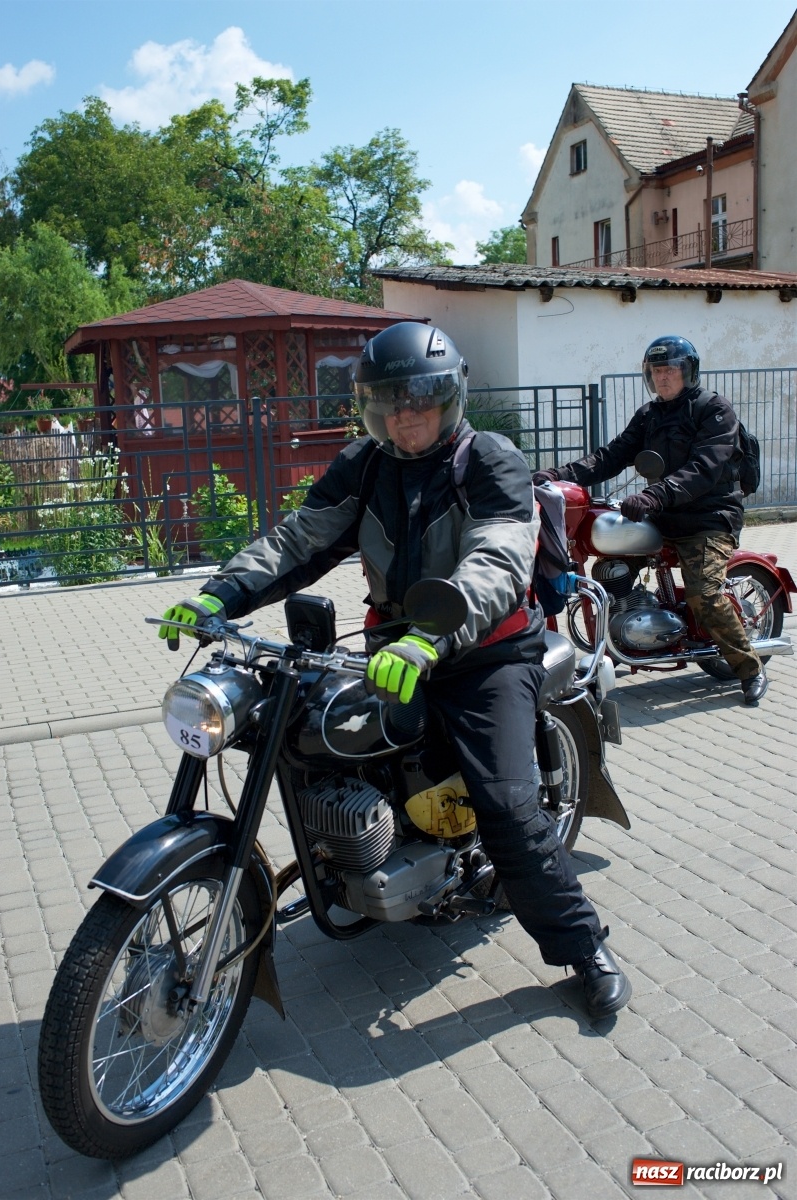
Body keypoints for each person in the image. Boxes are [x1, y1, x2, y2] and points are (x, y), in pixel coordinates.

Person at [159, 321, 631, 1020]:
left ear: (448, 398)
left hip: (485, 652)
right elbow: (303, 535)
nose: (405, 415)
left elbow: (498, 558)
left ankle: (582, 945)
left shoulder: (489, 460)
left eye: (419, 399)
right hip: (392, 649)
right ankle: (366, 853)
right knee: (305, 733)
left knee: (506, 808)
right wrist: (220, 593)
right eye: (389, 401)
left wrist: (435, 636)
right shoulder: (367, 464)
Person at [534, 334, 767, 704]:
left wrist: (654, 494)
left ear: (688, 371)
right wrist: (559, 474)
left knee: (704, 594)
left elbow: (704, 468)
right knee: (610, 569)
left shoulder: (714, 410)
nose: (663, 377)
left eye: (671, 369)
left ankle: (749, 668)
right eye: (657, 370)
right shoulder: (649, 415)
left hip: (708, 517)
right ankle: (616, 647)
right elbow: (610, 456)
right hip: (662, 516)